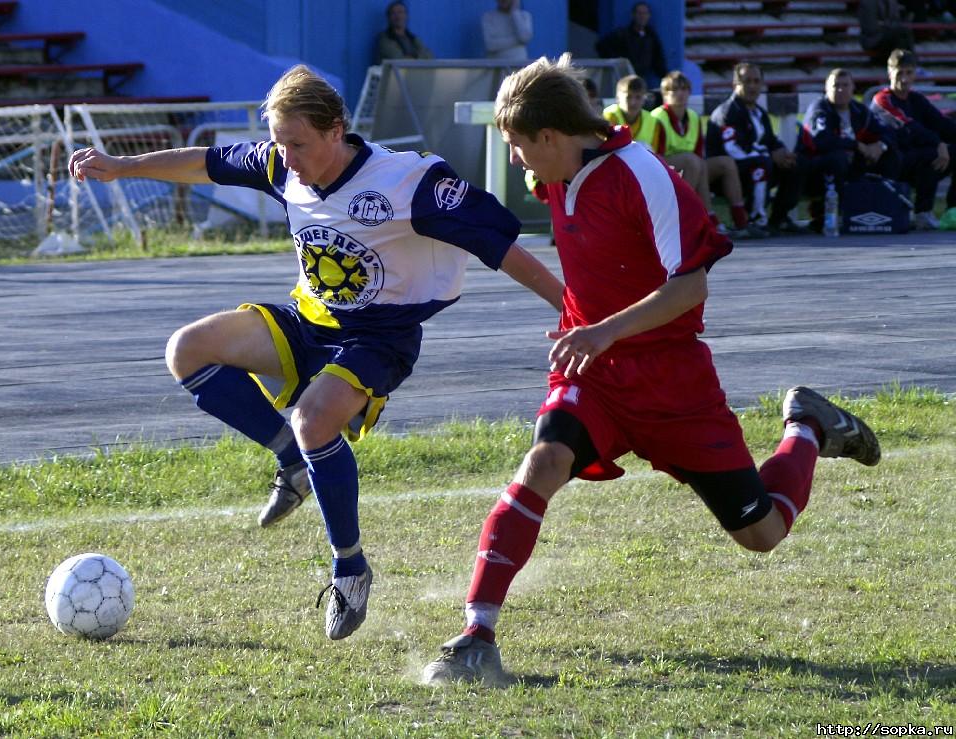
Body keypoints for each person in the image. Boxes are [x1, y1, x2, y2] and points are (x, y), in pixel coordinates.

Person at [421, 54, 880, 686]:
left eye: (517, 145)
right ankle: (477, 635)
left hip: (673, 384)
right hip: (594, 374)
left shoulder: (643, 174)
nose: (516, 160)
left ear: (551, 137)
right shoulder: (558, 169)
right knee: (543, 463)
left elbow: (689, 287)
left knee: (762, 532)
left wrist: (604, 329)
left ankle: (807, 426)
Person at [68, 65, 563, 642]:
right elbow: (205, 163)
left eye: (297, 143)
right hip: (308, 322)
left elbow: (503, 250)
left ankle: (350, 567)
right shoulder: (281, 163)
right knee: (188, 349)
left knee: (313, 416)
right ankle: (292, 462)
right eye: (279, 142)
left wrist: (575, 311)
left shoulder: (410, 183)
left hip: (378, 337)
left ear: (337, 130)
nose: (286, 156)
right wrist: (120, 167)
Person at [651, 70, 763, 238]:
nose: (680, 94)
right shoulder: (658, 117)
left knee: (725, 163)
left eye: (684, 89)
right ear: (665, 94)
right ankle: (684, 219)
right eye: (674, 90)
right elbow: (654, 157)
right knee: (692, 161)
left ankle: (740, 221)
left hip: (692, 169)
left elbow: (698, 152)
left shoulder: (694, 117)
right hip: (663, 172)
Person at [797, 68, 901, 231]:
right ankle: (825, 215)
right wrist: (857, 145)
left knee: (890, 155)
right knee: (837, 157)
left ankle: (884, 209)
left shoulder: (859, 111)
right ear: (826, 88)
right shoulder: (820, 109)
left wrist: (880, 146)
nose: (840, 90)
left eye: (845, 85)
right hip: (814, 170)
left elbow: (888, 132)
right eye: (835, 85)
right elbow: (821, 139)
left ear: (853, 88)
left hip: (851, 166)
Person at [706, 62, 805, 233]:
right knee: (762, 164)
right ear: (735, 84)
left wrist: (782, 152)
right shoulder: (728, 112)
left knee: (796, 164)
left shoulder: (759, 112)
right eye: (746, 81)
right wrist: (769, 155)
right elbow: (733, 150)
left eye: (756, 81)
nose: (752, 86)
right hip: (730, 175)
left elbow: (770, 140)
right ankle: (754, 221)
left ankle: (778, 219)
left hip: (755, 165)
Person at [870, 49, 956, 229]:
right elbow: (908, 126)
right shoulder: (882, 99)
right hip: (887, 164)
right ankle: (922, 212)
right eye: (899, 72)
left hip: (913, 160)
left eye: (909, 72)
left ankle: (952, 210)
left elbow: (941, 123)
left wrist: (943, 141)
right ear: (889, 72)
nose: (904, 78)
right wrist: (938, 143)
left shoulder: (916, 99)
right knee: (933, 153)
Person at [595, 2, 667, 89]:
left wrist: (666, 78)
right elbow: (601, 46)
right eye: (639, 13)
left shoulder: (651, 36)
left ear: (649, 16)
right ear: (633, 15)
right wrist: (619, 63)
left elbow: (658, 61)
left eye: (645, 13)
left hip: (642, 80)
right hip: (623, 79)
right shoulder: (622, 34)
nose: (642, 16)